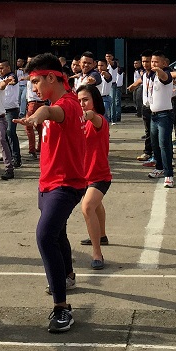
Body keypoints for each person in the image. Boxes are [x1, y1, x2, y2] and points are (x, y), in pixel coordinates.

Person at [13, 53, 88, 333]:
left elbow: (51, 114)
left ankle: (61, 308)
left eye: (36, 81)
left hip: (65, 184)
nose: (33, 87)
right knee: (58, 233)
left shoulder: (66, 103)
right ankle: (67, 275)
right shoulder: (56, 101)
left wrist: (37, 115)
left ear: (52, 78)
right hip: (47, 182)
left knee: (45, 236)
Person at [77, 84, 111, 270]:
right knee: (96, 205)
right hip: (84, 175)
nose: (82, 104)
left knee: (87, 207)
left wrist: (87, 114)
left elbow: (93, 117)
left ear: (95, 101)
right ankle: (102, 236)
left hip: (100, 176)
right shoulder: (79, 121)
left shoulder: (99, 120)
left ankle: (97, 253)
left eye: (86, 100)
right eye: (79, 100)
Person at [147, 50, 176, 188]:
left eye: (156, 62)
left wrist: (158, 70)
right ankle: (159, 167)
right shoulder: (152, 76)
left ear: (164, 63)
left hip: (164, 115)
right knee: (155, 143)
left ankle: (169, 174)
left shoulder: (166, 75)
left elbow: (164, 75)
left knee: (164, 145)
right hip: (154, 115)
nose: (153, 64)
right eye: (152, 61)